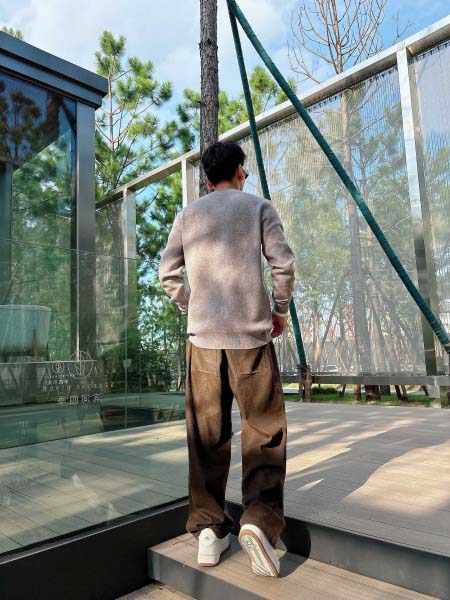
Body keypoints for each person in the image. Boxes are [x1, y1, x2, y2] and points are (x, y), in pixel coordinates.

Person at [158, 141, 296, 577]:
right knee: (264, 432)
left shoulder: (188, 215)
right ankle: (258, 521)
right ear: (239, 171)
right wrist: (278, 310)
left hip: (202, 342)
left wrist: (192, 306)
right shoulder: (258, 208)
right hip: (250, 339)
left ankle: (208, 531)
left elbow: (167, 273)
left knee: (206, 437)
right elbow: (283, 265)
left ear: (205, 178)